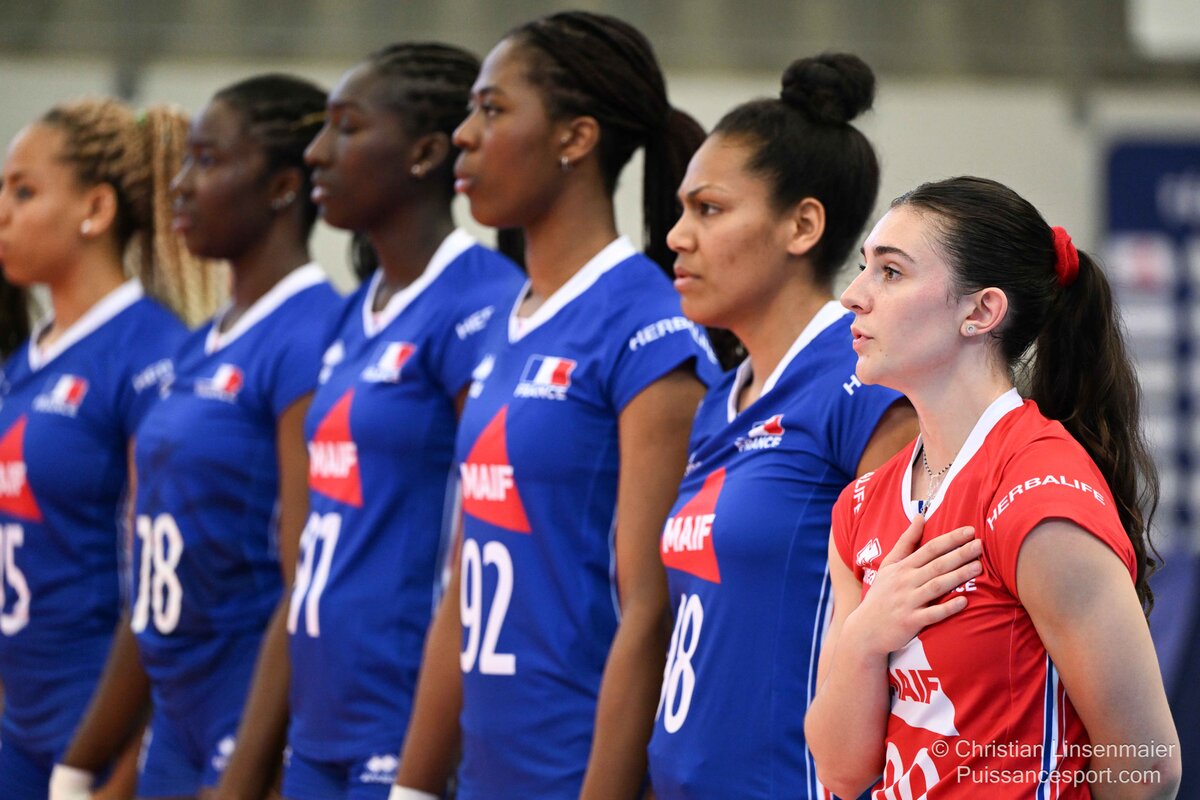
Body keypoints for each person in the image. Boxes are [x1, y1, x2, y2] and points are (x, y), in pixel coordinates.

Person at [393, 11, 721, 800]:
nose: (464, 134)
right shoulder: (506, 321)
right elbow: (462, 584)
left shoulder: (648, 327)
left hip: (574, 774)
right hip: (484, 776)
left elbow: (653, 612)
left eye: (493, 109)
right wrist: (413, 786)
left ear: (576, 138)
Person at [806, 176, 1182, 798]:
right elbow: (842, 772)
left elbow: (1148, 766)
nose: (853, 296)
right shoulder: (860, 504)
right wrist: (868, 636)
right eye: (863, 267)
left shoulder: (1039, 491)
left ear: (981, 312)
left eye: (891, 272)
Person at [216, 43, 524, 800]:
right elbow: (307, 560)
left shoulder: (483, 302)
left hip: (404, 724)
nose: (317, 152)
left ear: (425, 153)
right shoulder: (351, 313)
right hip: (318, 722)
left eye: (347, 128)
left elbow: (487, 537)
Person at [50, 74, 339, 800]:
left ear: (283, 187)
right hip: (173, 727)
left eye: (207, 162)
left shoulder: (310, 336)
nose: (179, 185)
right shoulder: (194, 347)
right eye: (184, 162)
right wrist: (83, 762)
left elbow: (306, 585)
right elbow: (151, 578)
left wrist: (245, 776)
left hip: (251, 725)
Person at [645, 53, 918, 800]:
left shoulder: (865, 387)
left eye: (708, 209)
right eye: (681, 210)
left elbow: (916, 645)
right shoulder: (720, 398)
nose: (676, 236)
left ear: (802, 225)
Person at [0, 98, 193, 800]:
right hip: (18, 724)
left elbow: (172, 582)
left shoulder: (152, 354)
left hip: (99, 730)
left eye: (24, 191)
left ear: (96, 208)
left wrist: (127, 765)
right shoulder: (24, 363)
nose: (3, 212)